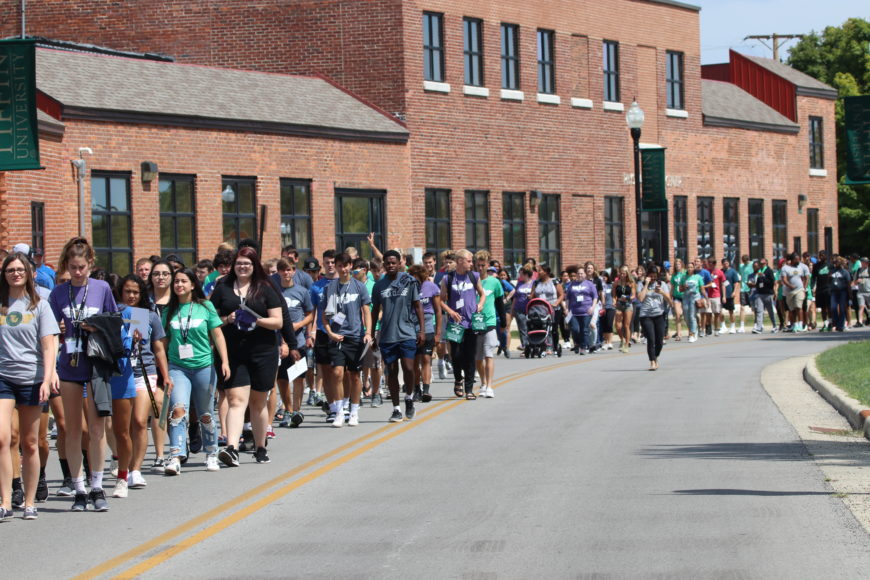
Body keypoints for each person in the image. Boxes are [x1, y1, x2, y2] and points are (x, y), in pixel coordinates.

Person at [48, 237, 117, 512]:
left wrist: (95, 327)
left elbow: (115, 321)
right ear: (67, 266)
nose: (78, 272)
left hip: (96, 364)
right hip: (69, 366)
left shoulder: (101, 288)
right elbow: (50, 329)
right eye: (73, 267)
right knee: (73, 428)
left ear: (90, 264)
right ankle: (78, 487)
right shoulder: (58, 293)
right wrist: (60, 330)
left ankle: (97, 486)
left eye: (82, 267)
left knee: (97, 428)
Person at [0, 253, 59, 520]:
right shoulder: (1, 303)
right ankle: (5, 501)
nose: (15, 273)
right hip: (3, 378)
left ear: (29, 273)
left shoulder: (39, 305)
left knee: (31, 442)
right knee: (2, 439)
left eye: (20, 269)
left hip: (33, 379)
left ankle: (30, 501)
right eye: (10, 269)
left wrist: (47, 379)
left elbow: (48, 344)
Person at [211, 247, 283, 465]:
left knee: (258, 401)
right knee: (235, 399)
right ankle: (232, 447)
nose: (242, 267)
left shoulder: (266, 287)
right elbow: (212, 318)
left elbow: (278, 321)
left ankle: (260, 446)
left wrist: (256, 319)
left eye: (247, 263)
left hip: (263, 351)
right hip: (234, 352)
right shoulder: (222, 287)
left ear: (254, 266)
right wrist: (228, 319)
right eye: (239, 263)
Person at [163, 268, 230, 474]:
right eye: (176, 282)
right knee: (178, 410)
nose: (179, 285)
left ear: (193, 285)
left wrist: (225, 361)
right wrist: (164, 371)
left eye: (183, 281)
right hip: (178, 367)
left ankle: (211, 453)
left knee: (205, 413)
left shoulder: (205, 306)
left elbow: (217, 335)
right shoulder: (169, 310)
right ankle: (175, 455)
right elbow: (164, 342)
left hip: (203, 366)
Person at [116, 275, 171, 489]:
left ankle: (136, 470)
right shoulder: (114, 314)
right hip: (120, 372)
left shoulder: (148, 315)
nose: (131, 296)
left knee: (139, 421)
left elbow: (158, 348)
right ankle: (125, 465)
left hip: (144, 372)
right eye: (128, 291)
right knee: (123, 425)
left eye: (136, 292)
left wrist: (165, 376)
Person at [323, 252, 373, 426]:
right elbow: (324, 315)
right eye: (339, 266)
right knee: (337, 373)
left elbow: (366, 311)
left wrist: (368, 332)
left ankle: (354, 411)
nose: (343, 269)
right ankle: (338, 412)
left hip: (355, 336)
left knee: (355, 376)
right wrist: (330, 332)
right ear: (336, 267)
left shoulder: (359, 286)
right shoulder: (330, 288)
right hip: (337, 337)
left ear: (350, 266)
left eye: (345, 265)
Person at [440, 249, 485, 399]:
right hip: (455, 324)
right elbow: (440, 300)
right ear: (460, 261)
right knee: (456, 355)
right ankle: (458, 378)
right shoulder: (448, 278)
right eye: (469, 261)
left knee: (470, 356)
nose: (472, 264)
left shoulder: (474, 276)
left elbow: (482, 293)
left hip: (471, 323)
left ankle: (469, 389)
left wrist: (481, 304)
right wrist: (450, 312)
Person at [275, 258, 313, 428]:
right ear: (278, 272)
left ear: (294, 271)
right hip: (278, 343)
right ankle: (288, 410)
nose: (286, 273)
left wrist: (300, 325)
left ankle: (297, 410)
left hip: (297, 342)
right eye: (283, 270)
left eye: (289, 269)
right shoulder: (274, 292)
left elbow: (310, 313)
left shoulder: (302, 291)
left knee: (298, 377)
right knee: (282, 379)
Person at [473, 255, 503, 398]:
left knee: (488, 354)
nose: (480, 268)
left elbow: (500, 303)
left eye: (483, 265)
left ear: (487, 266)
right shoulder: (471, 281)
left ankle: (490, 386)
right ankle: (483, 383)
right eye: (478, 265)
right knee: (478, 358)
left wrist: (503, 321)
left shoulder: (494, 282)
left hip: (490, 322)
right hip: (475, 323)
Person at [409, 264, 441, 403]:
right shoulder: (408, 288)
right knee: (415, 361)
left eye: (417, 278)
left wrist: (438, 333)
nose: (415, 281)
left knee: (426, 359)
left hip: (428, 326)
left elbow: (438, 311)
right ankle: (417, 389)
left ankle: (426, 390)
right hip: (411, 328)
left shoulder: (431, 287)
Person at [637, 266, 673, 371]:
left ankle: (655, 356)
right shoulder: (641, 284)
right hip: (646, 316)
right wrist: (646, 284)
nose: (652, 278)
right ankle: (652, 361)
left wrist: (661, 292)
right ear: (647, 276)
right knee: (651, 339)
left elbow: (670, 302)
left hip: (659, 315)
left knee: (659, 341)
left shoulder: (662, 284)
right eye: (650, 276)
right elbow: (640, 298)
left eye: (654, 276)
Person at [530, 265, 564, 355]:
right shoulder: (536, 283)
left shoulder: (554, 281)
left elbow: (561, 295)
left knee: (553, 328)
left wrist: (556, 303)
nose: (538, 273)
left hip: (553, 308)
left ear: (546, 272)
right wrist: (529, 297)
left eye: (540, 271)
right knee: (542, 328)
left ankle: (555, 346)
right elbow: (532, 295)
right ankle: (543, 346)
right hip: (540, 310)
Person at [565, 265, 598, 354]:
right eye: (578, 274)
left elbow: (595, 297)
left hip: (586, 311)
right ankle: (577, 343)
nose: (580, 275)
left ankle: (583, 347)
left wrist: (592, 307)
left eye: (582, 273)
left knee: (584, 330)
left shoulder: (589, 284)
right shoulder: (572, 284)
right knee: (575, 329)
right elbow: (567, 297)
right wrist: (567, 308)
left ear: (585, 274)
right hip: (574, 312)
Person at [751, 259, 778, 334]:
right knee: (759, 310)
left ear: (766, 263)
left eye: (763, 263)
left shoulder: (769, 271)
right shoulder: (759, 270)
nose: (761, 264)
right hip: (760, 293)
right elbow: (758, 282)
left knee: (770, 311)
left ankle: (775, 326)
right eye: (761, 263)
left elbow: (772, 281)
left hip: (768, 293)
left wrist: (763, 277)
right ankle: (759, 328)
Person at [613, 266, 636, 352]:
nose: (622, 275)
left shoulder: (631, 282)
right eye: (621, 273)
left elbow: (634, 295)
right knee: (618, 326)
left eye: (624, 273)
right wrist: (614, 301)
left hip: (627, 304)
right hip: (619, 304)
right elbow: (614, 295)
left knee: (626, 325)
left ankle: (626, 344)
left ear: (627, 274)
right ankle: (622, 339)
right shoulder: (616, 283)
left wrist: (627, 298)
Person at [511, 267, 534, 351]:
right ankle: (525, 346)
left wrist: (531, 296)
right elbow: (515, 297)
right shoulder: (519, 283)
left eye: (521, 274)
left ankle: (532, 345)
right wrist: (512, 309)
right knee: (522, 328)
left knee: (531, 328)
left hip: (531, 309)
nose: (519, 276)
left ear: (526, 274)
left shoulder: (534, 283)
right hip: (519, 309)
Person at [829, 256, 852, 332]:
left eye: (837, 262)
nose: (835, 263)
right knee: (833, 308)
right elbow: (828, 280)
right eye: (835, 262)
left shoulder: (845, 272)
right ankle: (835, 323)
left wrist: (850, 294)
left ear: (841, 263)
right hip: (834, 292)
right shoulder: (832, 271)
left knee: (842, 308)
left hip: (843, 291)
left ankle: (841, 325)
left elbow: (848, 284)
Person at [813, 251, 832, 331]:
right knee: (823, 308)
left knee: (829, 307)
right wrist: (812, 287)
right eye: (820, 255)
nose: (821, 257)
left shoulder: (830, 265)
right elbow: (813, 277)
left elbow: (832, 277)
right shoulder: (816, 266)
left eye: (823, 255)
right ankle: (825, 323)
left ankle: (830, 323)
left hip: (828, 288)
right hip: (820, 289)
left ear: (826, 256)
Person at [721, 258, 741, 334]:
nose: (726, 264)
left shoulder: (733, 271)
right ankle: (723, 326)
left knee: (731, 311)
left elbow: (736, 282)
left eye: (727, 263)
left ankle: (732, 326)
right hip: (722, 294)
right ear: (722, 264)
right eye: (724, 263)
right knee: (720, 311)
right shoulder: (721, 271)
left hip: (730, 293)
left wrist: (734, 292)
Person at [669, 259, 687, 340]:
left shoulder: (685, 273)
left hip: (685, 296)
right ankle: (679, 334)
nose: (677, 266)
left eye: (679, 264)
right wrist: (670, 298)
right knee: (678, 314)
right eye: (676, 264)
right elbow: (672, 287)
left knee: (686, 315)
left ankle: (692, 331)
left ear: (681, 264)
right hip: (677, 296)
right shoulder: (674, 275)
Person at [737, 254, 754, 333]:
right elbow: (740, 276)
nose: (744, 263)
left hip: (751, 288)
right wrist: (740, 286)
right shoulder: (741, 266)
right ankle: (742, 326)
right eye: (743, 261)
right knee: (742, 307)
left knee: (753, 307)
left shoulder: (752, 264)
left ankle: (756, 324)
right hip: (743, 288)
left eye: (745, 261)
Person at [853, 257, 870, 327]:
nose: (866, 263)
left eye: (867, 262)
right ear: (862, 263)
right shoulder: (858, 270)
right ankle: (860, 321)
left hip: (869, 291)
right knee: (861, 307)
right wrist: (857, 281)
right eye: (865, 262)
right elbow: (854, 282)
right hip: (860, 292)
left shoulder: (869, 270)